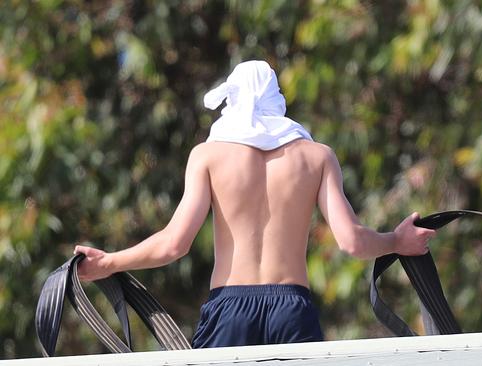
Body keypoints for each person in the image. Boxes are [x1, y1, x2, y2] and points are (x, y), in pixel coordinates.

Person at [75, 60, 435, 347]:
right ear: (276, 98)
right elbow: (352, 242)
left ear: (232, 100)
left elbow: (174, 243)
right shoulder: (316, 157)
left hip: (230, 309)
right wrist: (396, 242)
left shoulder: (208, 156)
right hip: (292, 308)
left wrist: (109, 262)